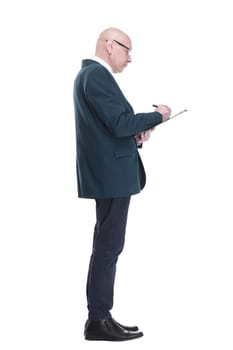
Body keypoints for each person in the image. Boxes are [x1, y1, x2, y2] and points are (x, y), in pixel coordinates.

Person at [73, 27, 172, 341]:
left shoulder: (90, 77)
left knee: (106, 246)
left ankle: (100, 316)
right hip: (110, 177)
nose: (130, 58)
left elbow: (111, 129)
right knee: (108, 248)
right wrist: (156, 116)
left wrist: (135, 135)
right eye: (127, 49)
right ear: (109, 44)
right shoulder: (96, 76)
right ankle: (98, 320)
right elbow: (118, 124)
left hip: (109, 174)